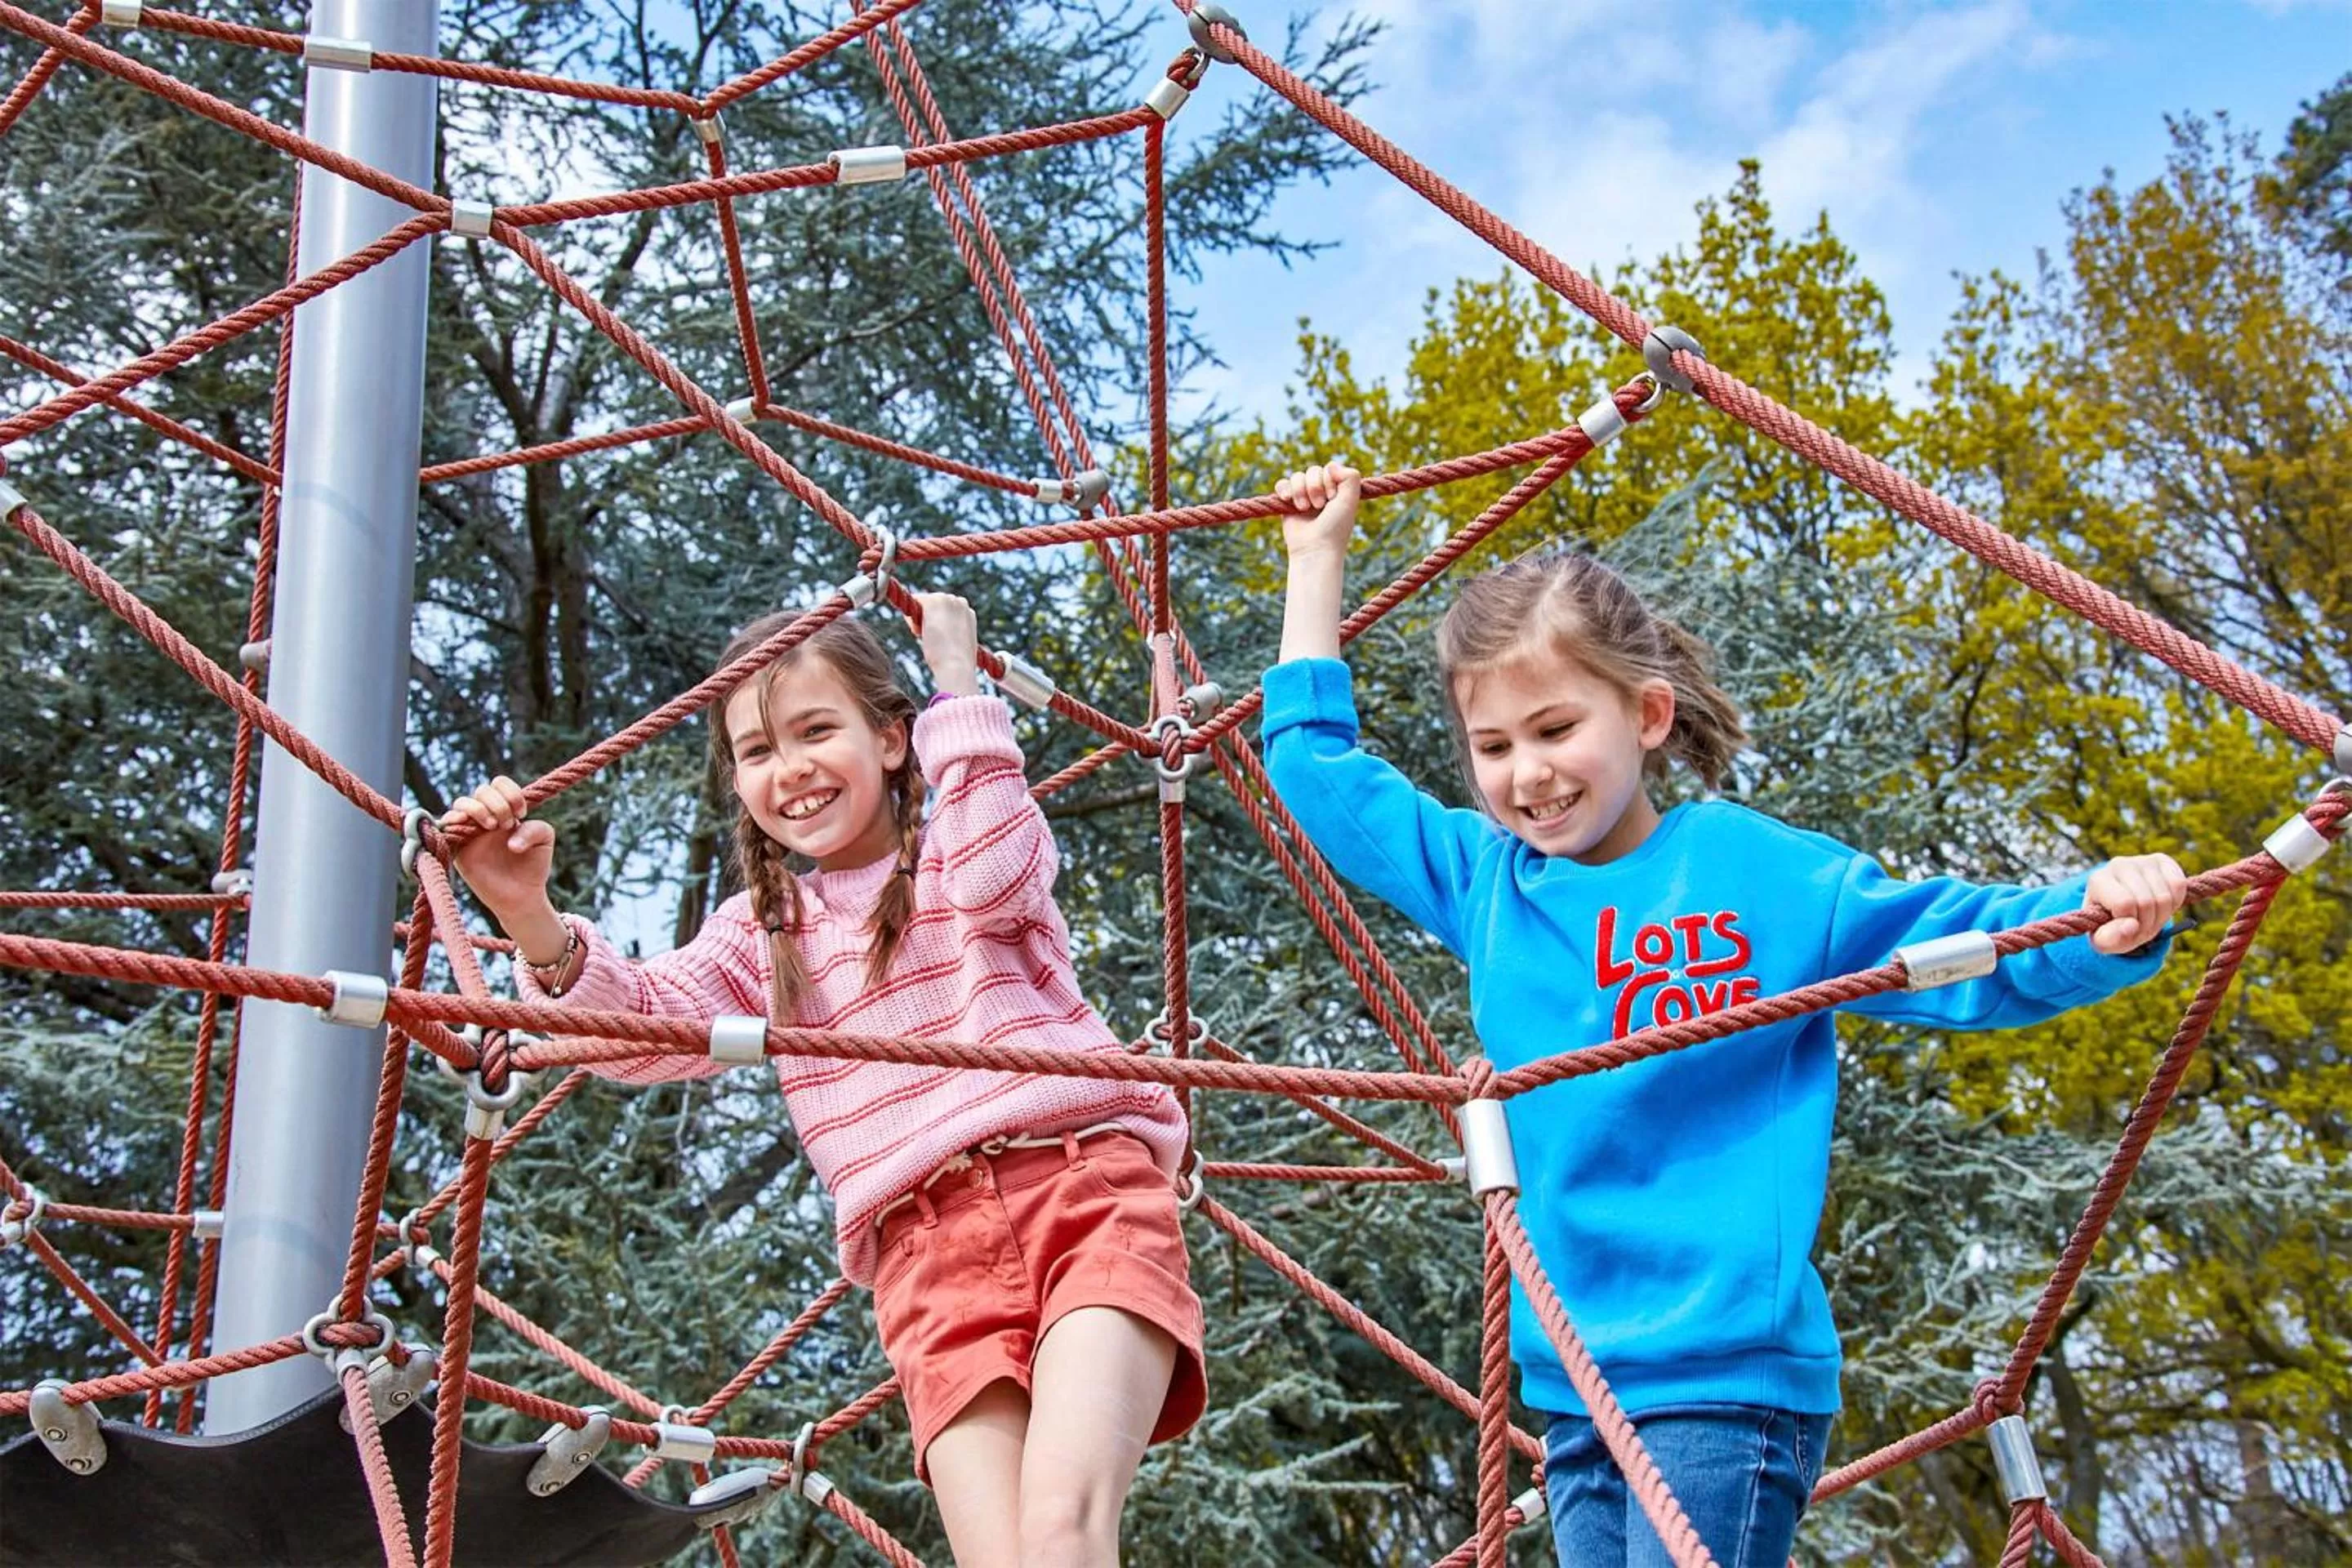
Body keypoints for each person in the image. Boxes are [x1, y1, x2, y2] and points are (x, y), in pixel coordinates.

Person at [1260, 461, 2189, 1567]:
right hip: (1576, 1387)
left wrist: (2103, 918)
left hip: (1727, 1376)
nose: (1529, 774)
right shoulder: (1488, 885)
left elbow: (1960, 946)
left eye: (1556, 729)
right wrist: (1317, 564)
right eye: (1494, 747)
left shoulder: (1752, 872)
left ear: (1647, 713)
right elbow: (1318, 776)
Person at [445, 596, 1205, 1568]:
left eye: (816, 730)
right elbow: (635, 1029)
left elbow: (997, 875)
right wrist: (527, 914)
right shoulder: (765, 934)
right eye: (757, 751)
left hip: (1079, 1191)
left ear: (893, 740)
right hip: (926, 1259)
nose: (790, 768)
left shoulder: (961, 849)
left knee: (1061, 1529)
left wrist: (959, 694)